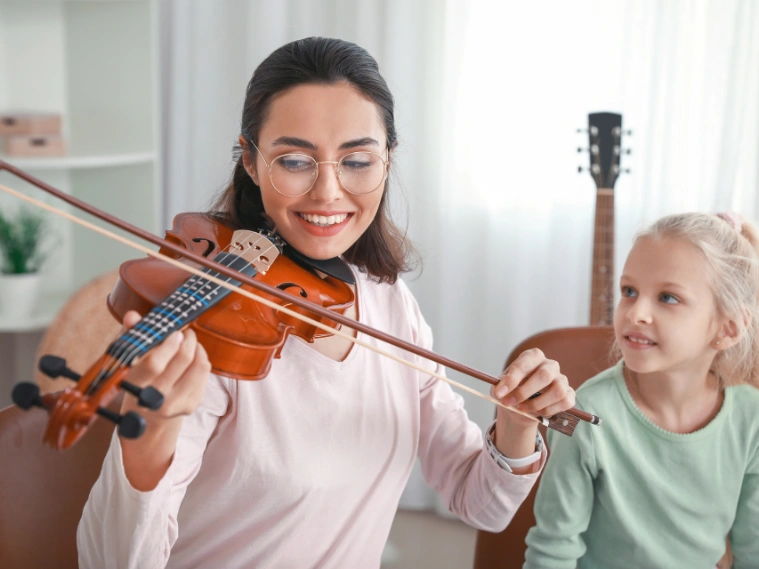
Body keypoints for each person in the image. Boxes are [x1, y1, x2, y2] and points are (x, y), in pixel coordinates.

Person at [77, 37, 577, 568]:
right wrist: (150, 438)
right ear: (249, 158)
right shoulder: (211, 333)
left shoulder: (390, 305)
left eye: (357, 160)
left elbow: (480, 503)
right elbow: (110, 562)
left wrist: (517, 426)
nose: (328, 193)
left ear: (387, 161)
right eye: (294, 160)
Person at [523, 212, 759, 569]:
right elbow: (552, 550)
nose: (635, 313)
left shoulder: (751, 419)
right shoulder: (582, 411)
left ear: (727, 328)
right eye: (629, 291)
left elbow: (752, 550)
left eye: (668, 297)